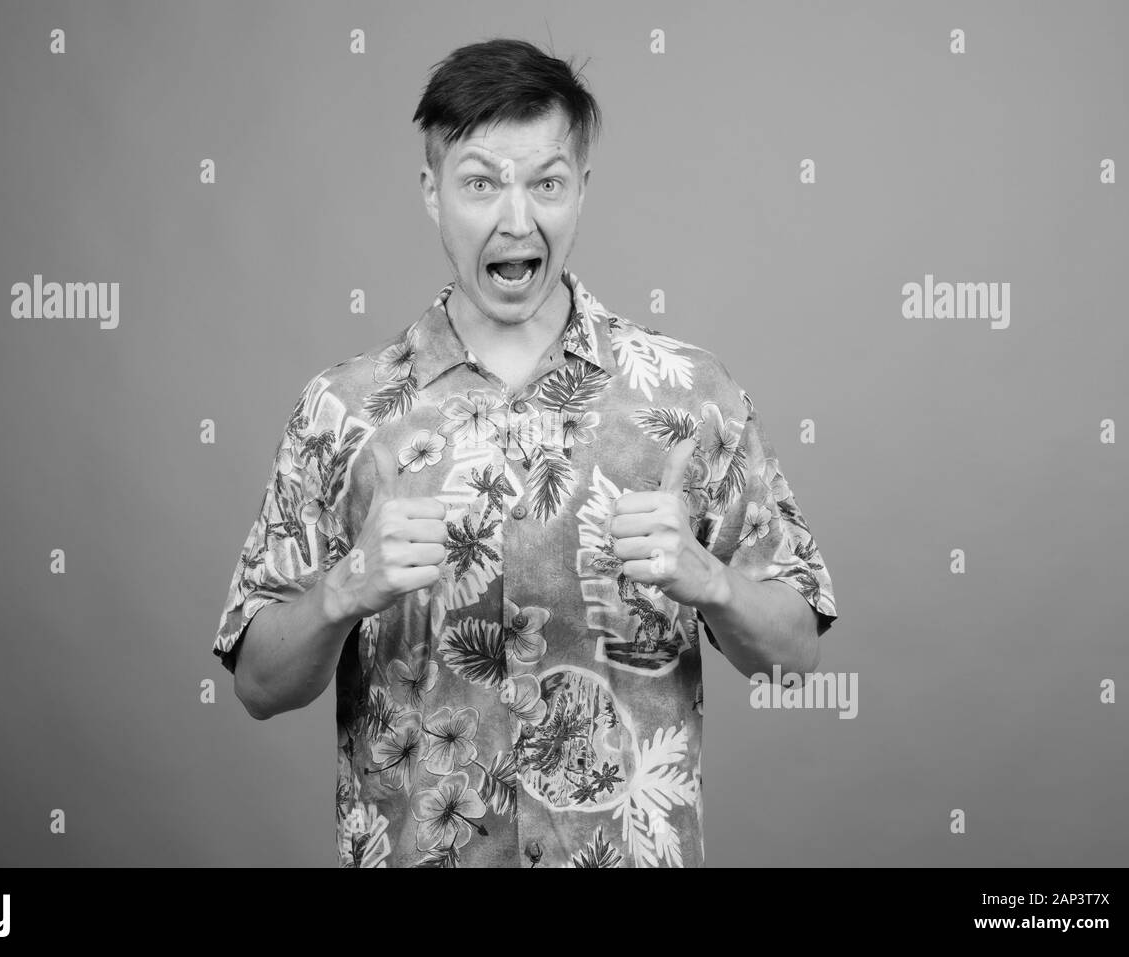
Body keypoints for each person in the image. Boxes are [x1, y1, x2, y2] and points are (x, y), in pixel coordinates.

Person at [212, 37, 838, 868]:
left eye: (546, 182)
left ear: (581, 189)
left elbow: (796, 652)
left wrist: (712, 581)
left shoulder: (688, 394)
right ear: (432, 193)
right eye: (480, 183)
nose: (517, 218)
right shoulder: (343, 410)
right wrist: (344, 590)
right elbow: (258, 685)